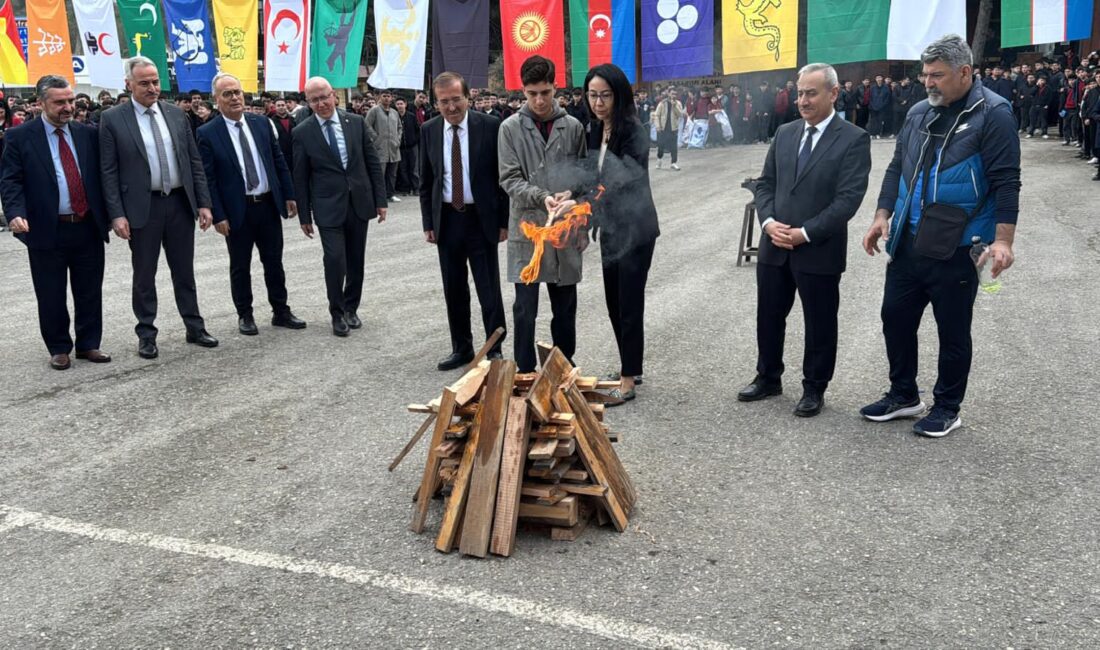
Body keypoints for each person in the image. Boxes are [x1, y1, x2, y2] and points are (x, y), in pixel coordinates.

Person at [861, 34, 1021, 438]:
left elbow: (1006, 182)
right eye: (925, 75)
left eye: (938, 75)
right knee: (894, 318)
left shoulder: (995, 114)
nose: (928, 83)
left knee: (952, 330)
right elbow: (897, 168)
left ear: (965, 72)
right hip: (909, 240)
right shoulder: (918, 112)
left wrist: (1004, 241)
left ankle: (948, 407)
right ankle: (904, 395)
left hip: (959, 244)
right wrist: (882, 217)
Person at [737, 63, 871, 418]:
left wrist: (805, 232)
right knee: (768, 315)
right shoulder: (785, 134)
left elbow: (848, 199)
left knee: (820, 322)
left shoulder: (853, 139)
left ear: (833, 93)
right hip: (774, 245)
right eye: (799, 93)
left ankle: (814, 387)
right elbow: (765, 184)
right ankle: (768, 376)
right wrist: (767, 223)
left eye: (811, 93)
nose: (803, 100)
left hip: (817, 248)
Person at [99, 56, 218, 359]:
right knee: (144, 274)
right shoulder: (113, 118)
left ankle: (194, 326)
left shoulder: (176, 115)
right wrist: (117, 213)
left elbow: (193, 162)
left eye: (155, 81)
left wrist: (203, 203)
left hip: (179, 203)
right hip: (142, 207)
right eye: (144, 83)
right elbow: (108, 171)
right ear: (129, 85)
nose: (152, 88)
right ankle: (147, 333)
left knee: (184, 271)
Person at [0, 75, 112, 369]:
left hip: (87, 225)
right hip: (46, 228)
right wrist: (14, 213)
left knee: (89, 289)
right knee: (50, 292)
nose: (68, 107)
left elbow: (102, 177)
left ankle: (89, 344)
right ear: (40, 103)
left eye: (71, 101)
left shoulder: (87, 134)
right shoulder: (19, 137)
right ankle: (59, 346)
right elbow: (10, 181)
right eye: (59, 102)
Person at [197, 73, 306, 337]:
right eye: (227, 94)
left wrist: (289, 195)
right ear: (216, 100)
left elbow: (278, 161)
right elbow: (209, 178)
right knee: (240, 265)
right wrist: (218, 214)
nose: (234, 98)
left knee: (274, 262)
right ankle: (245, 314)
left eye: (237, 92)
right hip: (236, 211)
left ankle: (281, 310)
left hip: (267, 205)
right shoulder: (207, 133)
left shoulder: (260, 123)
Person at [498, 55, 588, 373]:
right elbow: (509, 178)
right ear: (523, 91)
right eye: (532, 93)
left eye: (545, 92)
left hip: (564, 229)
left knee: (565, 307)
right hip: (528, 228)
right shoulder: (509, 129)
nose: (539, 100)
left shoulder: (573, 127)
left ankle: (561, 369)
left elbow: (582, 175)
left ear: (555, 88)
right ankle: (523, 372)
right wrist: (541, 196)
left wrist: (571, 195)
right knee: (525, 308)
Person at [419, 72, 509, 370]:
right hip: (447, 219)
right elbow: (427, 181)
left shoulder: (490, 126)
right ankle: (462, 347)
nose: (451, 107)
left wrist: (504, 220)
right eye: (444, 102)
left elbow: (502, 177)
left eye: (456, 99)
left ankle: (493, 348)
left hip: (481, 219)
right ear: (437, 103)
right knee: (454, 288)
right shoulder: (429, 130)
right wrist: (427, 223)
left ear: (468, 98)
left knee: (488, 288)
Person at [583, 64, 660, 404]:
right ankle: (632, 364)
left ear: (619, 95)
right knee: (614, 301)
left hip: (634, 228)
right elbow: (589, 175)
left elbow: (621, 177)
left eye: (605, 95)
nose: (598, 103)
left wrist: (584, 204)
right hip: (611, 229)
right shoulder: (594, 129)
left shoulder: (633, 130)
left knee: (629, 300)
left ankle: (627, 380)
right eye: (593, 95)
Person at [292, 77, 387, 337]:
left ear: (334, 95)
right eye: (314, 100)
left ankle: (351, 307)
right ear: (308, 103)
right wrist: (304, 214)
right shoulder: (302, 132)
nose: (321, 103)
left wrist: (381, 200)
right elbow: (300, 177)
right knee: (335, 260)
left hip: (359, 202)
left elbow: (372, 163)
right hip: (327, 207)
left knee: (356, 259)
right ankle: (336, 312)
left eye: (324, 97)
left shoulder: (355, 123)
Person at [365, 89, 402, 202]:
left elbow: (399, 127)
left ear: (391, 98)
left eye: (388, 96)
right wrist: (375, 138)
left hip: (394, 147)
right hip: (380, 147)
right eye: (384, 96)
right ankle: (379, 196)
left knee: (392, 174)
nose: (386, 98)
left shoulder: (394, 112)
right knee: (380, 173)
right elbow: (367, 125)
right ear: (380, 97)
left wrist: (398, 139)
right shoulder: (374, 111)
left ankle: (390, 194)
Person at [652, 87, 682, 170]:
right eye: (672, 93)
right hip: (662, 128)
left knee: (673, 147)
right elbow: (656, 115)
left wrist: (674, 105)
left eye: (675, 94)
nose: (674, 95)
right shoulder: (662, 103)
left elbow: (680, 115)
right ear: (668, 94)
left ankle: (673, 163)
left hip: (673, 128)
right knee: (661, 145)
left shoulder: (678, 103)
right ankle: (659, 159)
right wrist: (657, 126)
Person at [395, 97, 420, 195]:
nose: (400, 106)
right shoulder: (394, 116)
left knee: (414, 168)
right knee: (403, 169)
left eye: (401, 103)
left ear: (405, 104)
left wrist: (415, 140)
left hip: (412, 146)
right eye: (398, 104)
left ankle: (416, 188)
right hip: (400, 147)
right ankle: (406, 188)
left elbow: (417, 130)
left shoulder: (411, 116)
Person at [269, 97, 295, 168]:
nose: (281, 107)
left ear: (286, 106)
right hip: (280, 155)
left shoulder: (293, 120)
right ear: (275, 107)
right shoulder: (270, 122)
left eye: (283, 105)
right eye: (278, 105)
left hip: (293, 154)